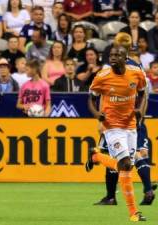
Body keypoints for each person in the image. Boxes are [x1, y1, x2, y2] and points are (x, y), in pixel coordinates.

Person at [86, 46, 147, 221]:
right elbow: (90, 98)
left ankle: (96, 157)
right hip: (112, 126)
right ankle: (134, 213)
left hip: (131, 126)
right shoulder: (102, 76)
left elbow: (142, 93)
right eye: (111, 55)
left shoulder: (136, 73)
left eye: (117, 55)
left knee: (126, 167)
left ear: (125, 57)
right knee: (126, 164)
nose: (113, 57)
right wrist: (97, 115)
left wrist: (139, 109)